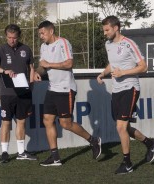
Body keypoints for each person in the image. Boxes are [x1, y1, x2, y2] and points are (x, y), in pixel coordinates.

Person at [97, 16, 154, 174]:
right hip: (116, 90)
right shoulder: (108, 44)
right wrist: (103, 73)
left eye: (107, 30)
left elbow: (143, 67)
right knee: (125, 127)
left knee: (120, 127)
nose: (105, 33)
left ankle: (127, 163)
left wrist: (123, 72)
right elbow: (113, 63)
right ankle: (150, 143)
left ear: (116, 28)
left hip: (130, 88)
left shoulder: (129, 43)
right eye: (103, 30)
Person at [33, 20, 101, 166]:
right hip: (52, 88)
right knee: (47, 120)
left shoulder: (63, 42)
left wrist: (49, 64)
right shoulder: (43, 47)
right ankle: (55, 157)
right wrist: (37, 73)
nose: (41, 36)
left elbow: (69, 63)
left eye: (42, 33)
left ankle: (93, 140)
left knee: (65, 124)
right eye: (39, 34)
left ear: (51, 31)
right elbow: (42, 67)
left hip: (66, 89)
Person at [0, 24, 37, 163]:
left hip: (23, 92)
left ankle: (21, 152)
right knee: (6, 123)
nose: (12, 40)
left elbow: (31, 68)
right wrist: (3, 71)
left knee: (21, 122)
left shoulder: (26, 49)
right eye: (9, 37)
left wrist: (31, 85)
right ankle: (4, 153)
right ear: (6, 36)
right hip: (7, 94)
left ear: (19, 37)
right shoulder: (1, 49)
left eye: (14, 37)